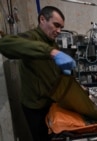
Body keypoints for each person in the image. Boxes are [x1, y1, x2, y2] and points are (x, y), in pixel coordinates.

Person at [0, 6, 76, 141]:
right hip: (35, 107)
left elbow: (53, 71)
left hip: (51, 102)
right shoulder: (31, 37)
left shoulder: (53, 43)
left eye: (61, 27)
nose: (59, 31)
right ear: (42, 19)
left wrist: (67, 76)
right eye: (56, 25)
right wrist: (51, 53)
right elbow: (5, 44)